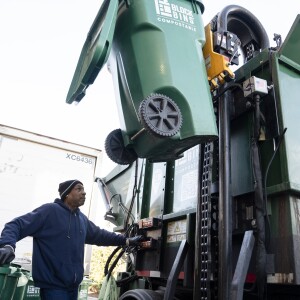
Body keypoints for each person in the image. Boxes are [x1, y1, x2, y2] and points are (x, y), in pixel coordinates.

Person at [0, 179, 144, 300]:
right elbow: (16, 225)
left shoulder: (81, 219)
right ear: (67, 194)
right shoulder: (49, 211)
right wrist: (8, 245)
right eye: (78, 189)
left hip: (73, 287)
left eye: (84, 189)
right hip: (53, 287)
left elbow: (100, 235)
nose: (84, 192)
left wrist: (126, 241)